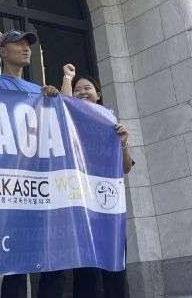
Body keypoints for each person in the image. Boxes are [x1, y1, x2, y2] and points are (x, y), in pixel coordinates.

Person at [0, 29, 59, 298]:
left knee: (51, 256)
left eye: (27, 45)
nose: (25, 49)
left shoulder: (38, 91)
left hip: (40, 181)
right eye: (17, 44)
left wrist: (55, 96)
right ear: (2, 52)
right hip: (11, 183)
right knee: (17, 262)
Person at [60, 65, 131, 297]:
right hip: (81, 205)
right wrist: (68, 78)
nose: (82, 92)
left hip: (108, 209)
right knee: (86, 271)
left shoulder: (110, 121)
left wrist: (123, 141)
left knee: (114, 268)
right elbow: (64, 105)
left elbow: (125, 167)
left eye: (87, 88)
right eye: (78, 89)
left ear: (98, 93)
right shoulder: (73, 120)